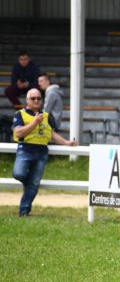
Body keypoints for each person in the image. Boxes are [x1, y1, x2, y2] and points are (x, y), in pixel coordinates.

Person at [12, 89, 77, 217]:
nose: (36, 100)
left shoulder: (46, 116)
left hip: (41, 153)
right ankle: (29, 184)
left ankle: (24, 211)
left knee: (34, 183)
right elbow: (18, 133)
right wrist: (35, 122)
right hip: (25, 150)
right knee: (18, 174)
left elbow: (52, 134)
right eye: (33, 98)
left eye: (38, 98)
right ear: (27, 100)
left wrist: (66, 142)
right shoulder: (20, 114)